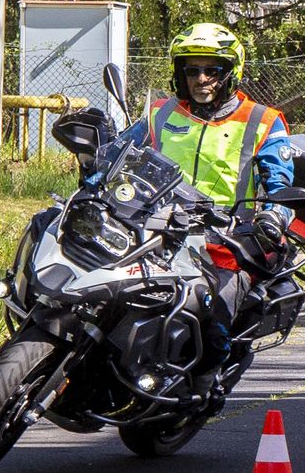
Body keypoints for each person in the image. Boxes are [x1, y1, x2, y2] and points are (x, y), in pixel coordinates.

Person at [117, 22, 295, 402]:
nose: (200, 79)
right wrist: (93, 161)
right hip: (155, 226)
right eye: (191, 70)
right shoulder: (161, 114)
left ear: (230, 73)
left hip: (225, 240)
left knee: (214, 317)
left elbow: (280, 184)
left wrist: (274, 216)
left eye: (211, 70)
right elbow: (119, 152)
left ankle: (201, 387)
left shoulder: (262, 120)